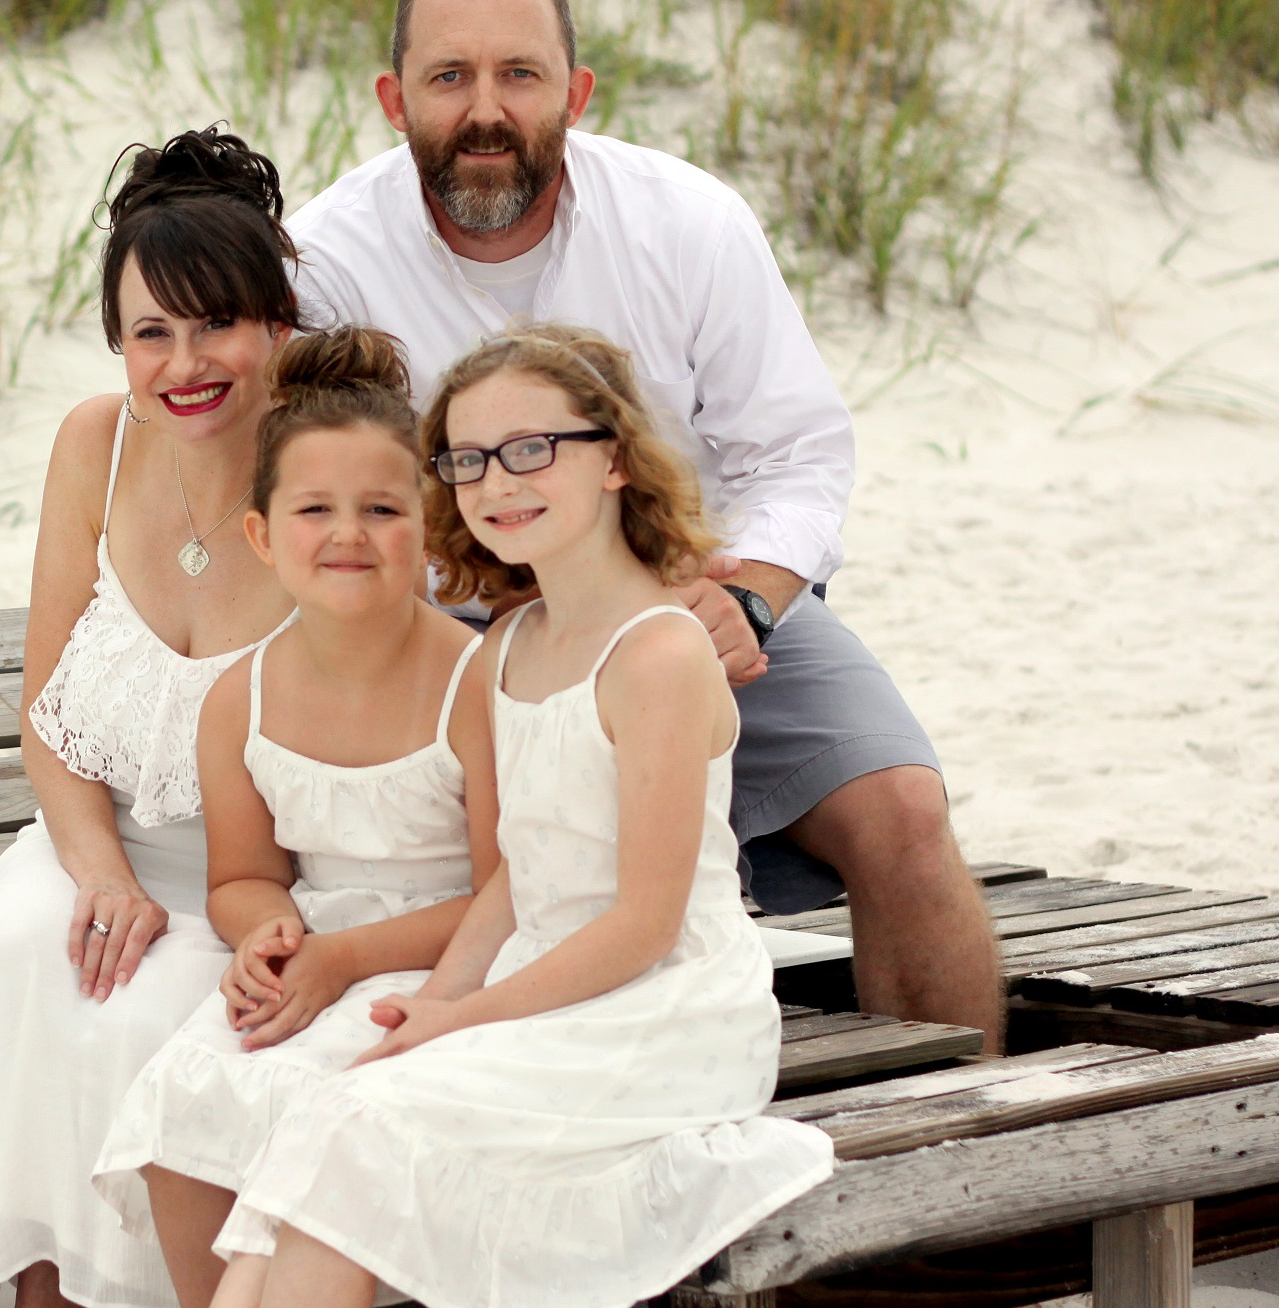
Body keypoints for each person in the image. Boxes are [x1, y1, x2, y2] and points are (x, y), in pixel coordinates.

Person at [284, 0, 1001, 1045]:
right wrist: (500, 600)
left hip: (689, 595)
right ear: (393, 100)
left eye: (519, 74)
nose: (485, 110)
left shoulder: (687, 221)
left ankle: (969, 1147)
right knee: (484, 867)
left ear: (575, 91)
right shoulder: (329, 261)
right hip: (453, 623)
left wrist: (748, 596)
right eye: (448, 77)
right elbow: (320, 494)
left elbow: (799, 453)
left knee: (903, 811)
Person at [212, 324, 836, 1308]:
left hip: (663, 1010)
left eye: (533, 449)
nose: (500, 483)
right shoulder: (510, 643)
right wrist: (438, 1002)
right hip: (535, 981)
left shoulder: (659, 654)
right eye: (469, 460)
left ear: (617, 460)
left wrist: (464, 1019)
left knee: (361, 1127)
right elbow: (516, 875)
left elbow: (645, 924)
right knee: (320, 1114)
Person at [0, 127, 304, 1308]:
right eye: (152, 332)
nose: (185, 362)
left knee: (153, 1015)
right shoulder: (95, 442)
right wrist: (97, 873)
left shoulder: (327, 455)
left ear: (278, 326)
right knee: (15, 956)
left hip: (269, 880)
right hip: (100, 841)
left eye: (217, 324)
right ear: (117, 344)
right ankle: (31, 1291)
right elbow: (48, 708)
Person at [92, 326, 498, 1308]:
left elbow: (512, 896)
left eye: (382, 509)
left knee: (332, 1106)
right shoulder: (243, 697)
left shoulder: (477, 682)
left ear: (432, 526)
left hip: (451, 962)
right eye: (315, 509)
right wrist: (265, 933)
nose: (347, 533)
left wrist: (345, 959)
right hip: (319, 948)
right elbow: (242, 876)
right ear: (264, 536)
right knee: (191, 1094)